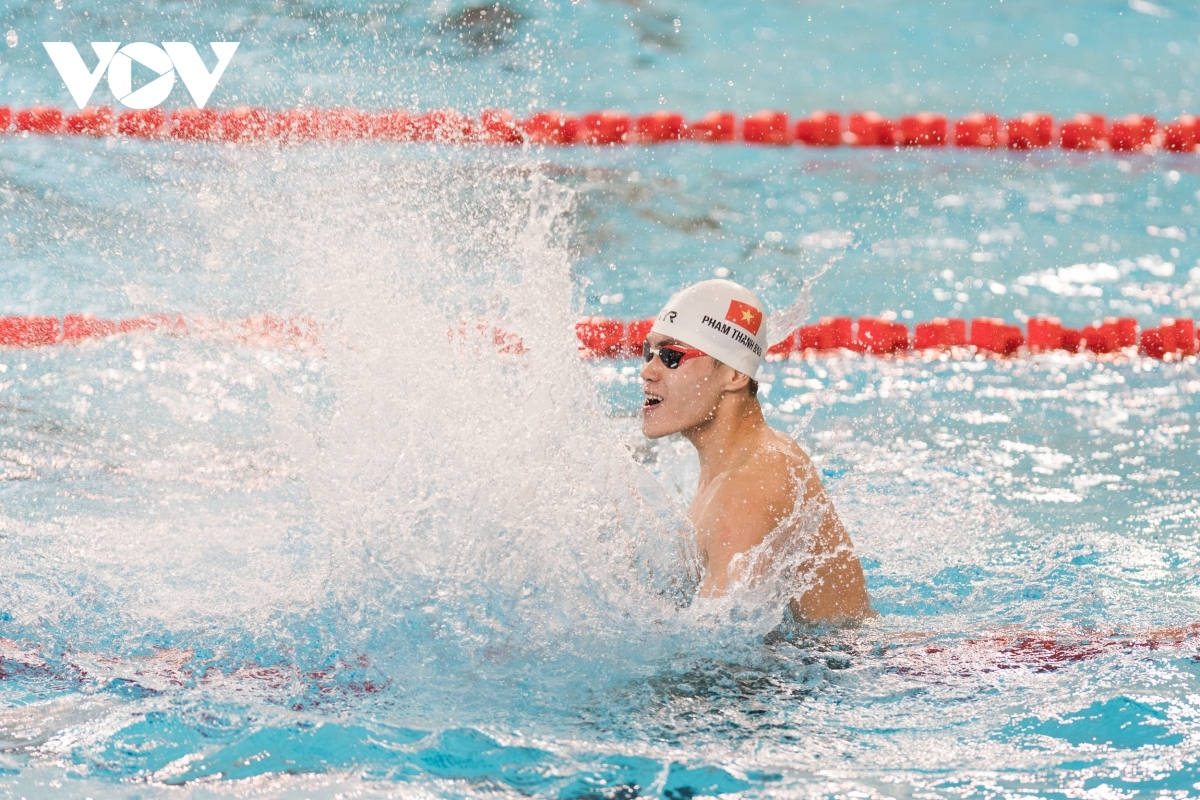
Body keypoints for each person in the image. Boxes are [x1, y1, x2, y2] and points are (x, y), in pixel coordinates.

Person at [640, 279, 873, 624]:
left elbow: (715, 654)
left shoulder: (750, 484)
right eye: (649, 353)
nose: (647, 371)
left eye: (672, 357)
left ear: (734, 374)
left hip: (849, 667)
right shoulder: (736, 463)